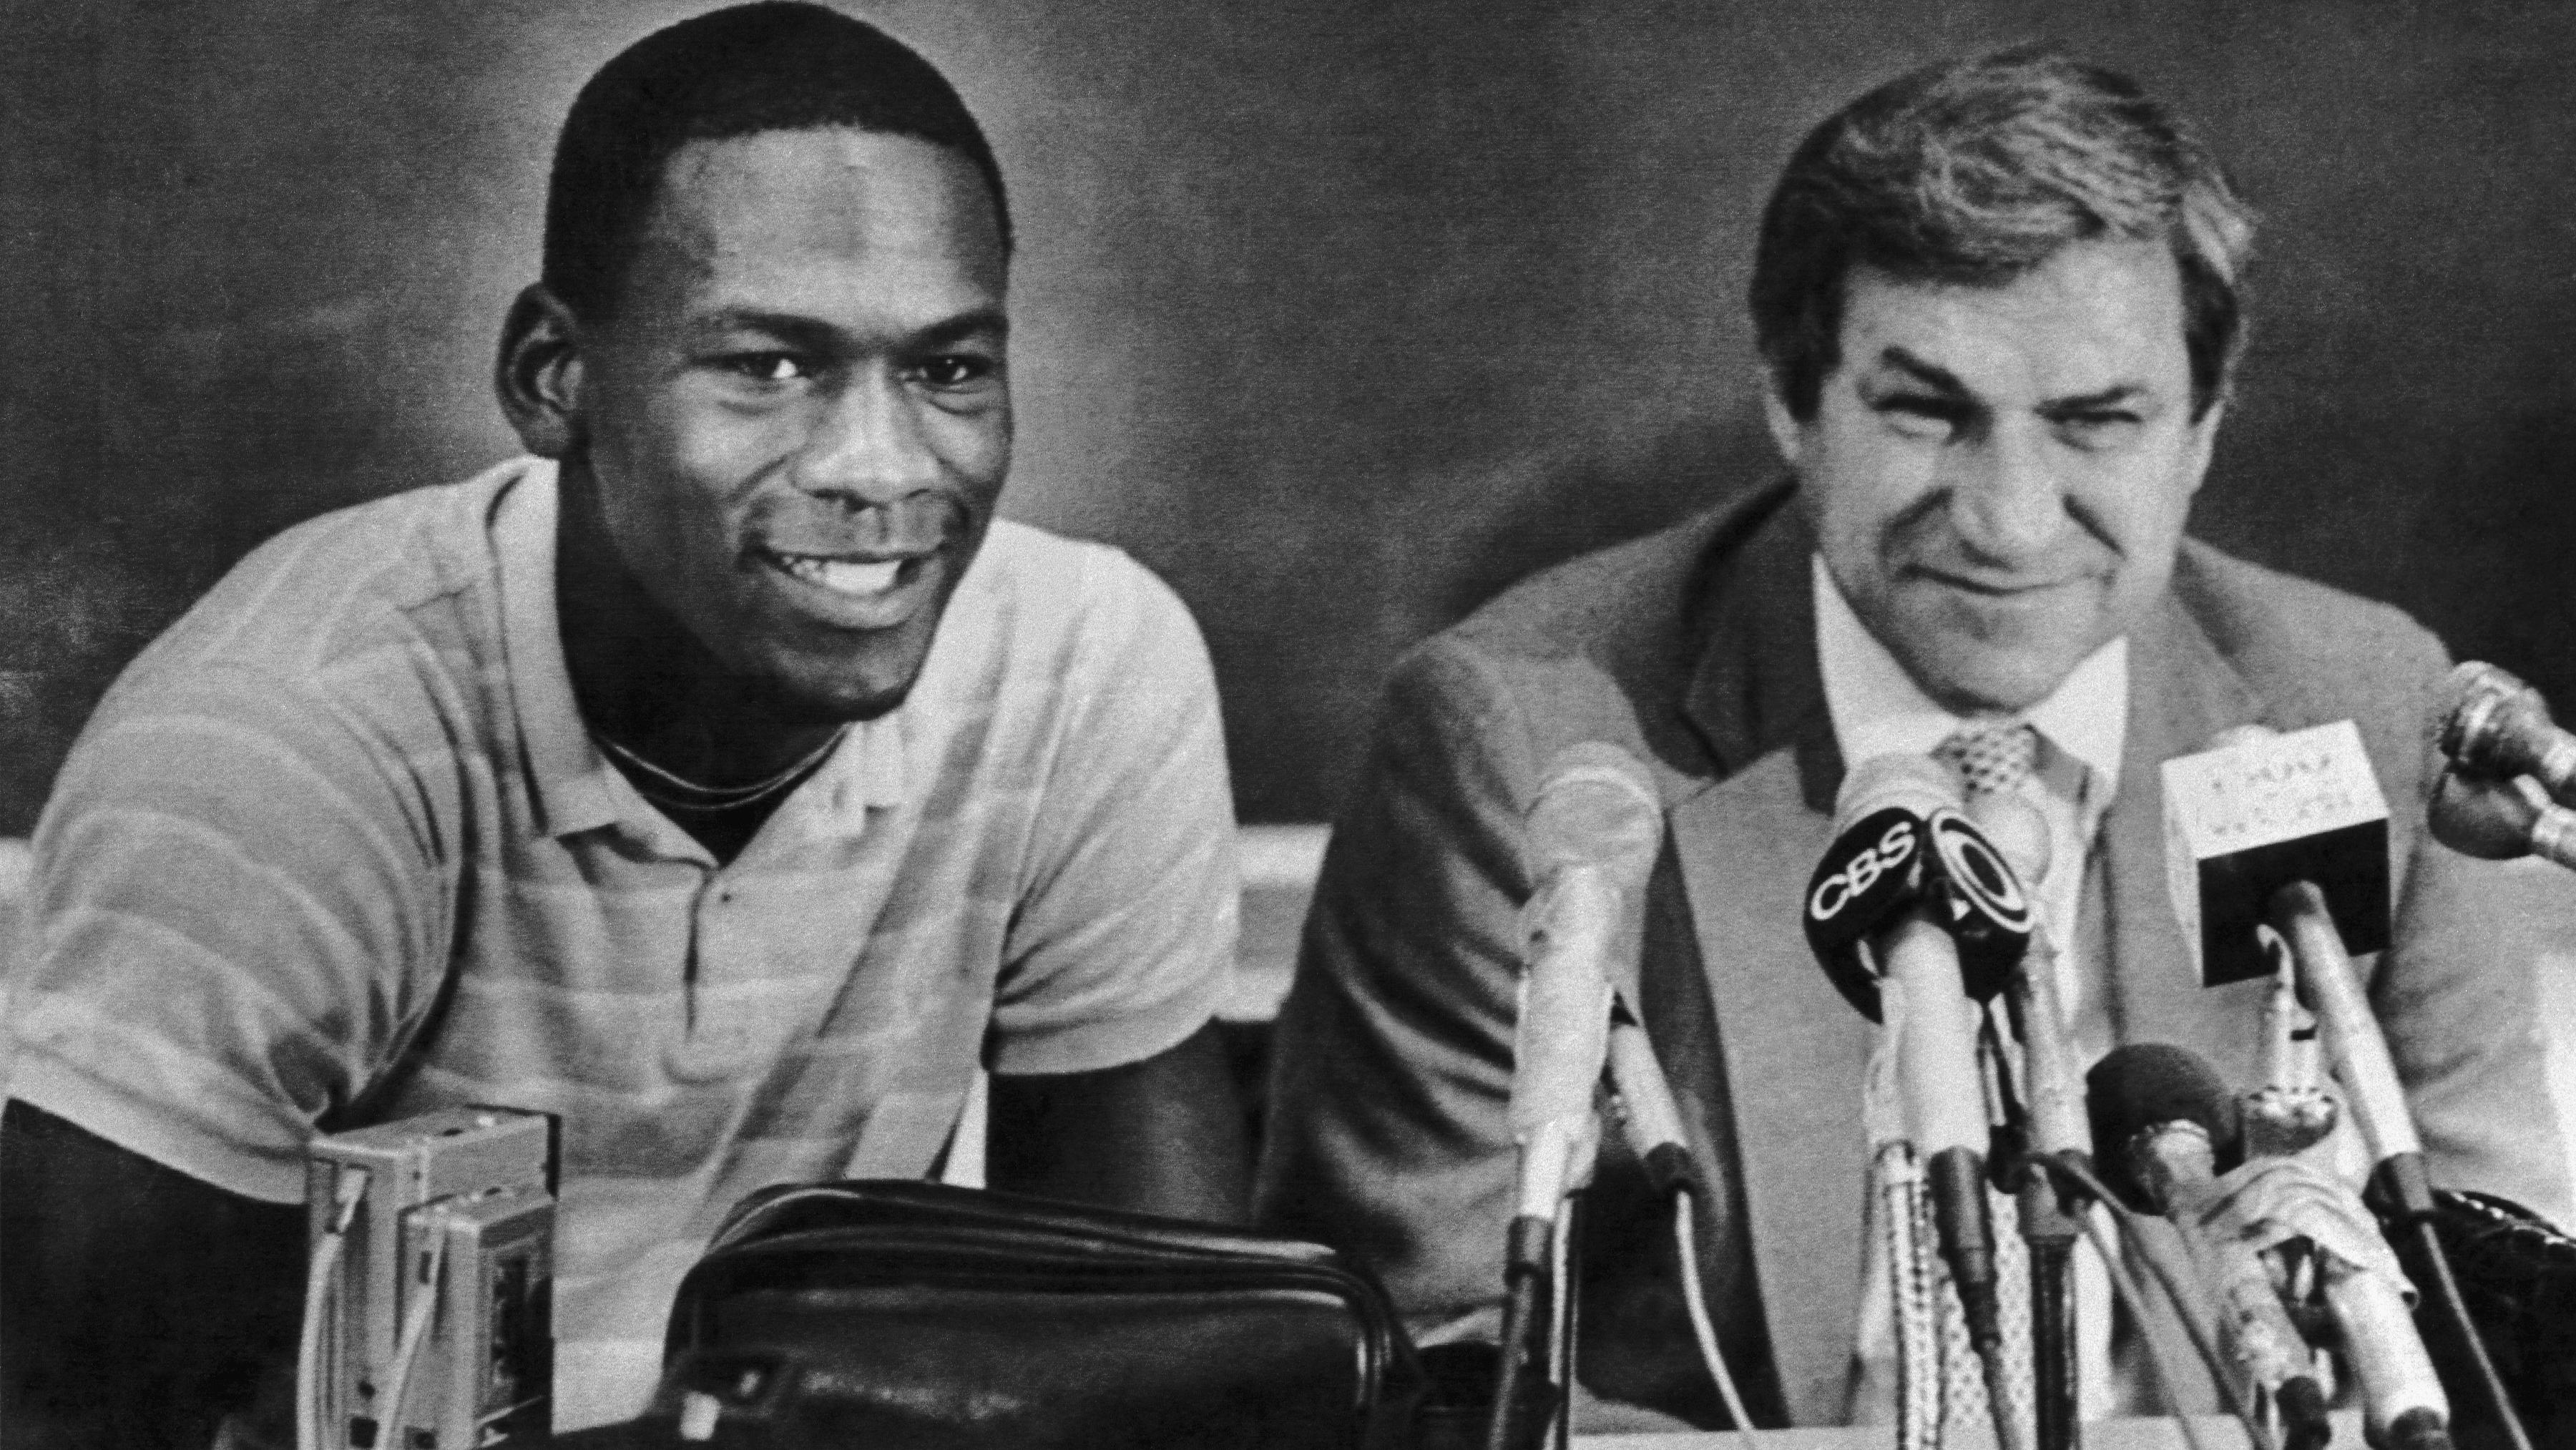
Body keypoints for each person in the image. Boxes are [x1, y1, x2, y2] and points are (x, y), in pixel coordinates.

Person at [1256, 44, 2573, 1431]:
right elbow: (1429, 1372)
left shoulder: (2357, 701)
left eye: (2094, 422)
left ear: (2199, 430)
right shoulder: (1512, 740)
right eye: (1925, 410)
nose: (2009, 518)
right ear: (1790, 398)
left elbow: (2497, 1291)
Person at [1, 6, 1247, 1444]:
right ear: (553, 376)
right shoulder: (282, 756)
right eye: (768, 367)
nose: (882, 465)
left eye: (949, 368)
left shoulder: (1082, 662)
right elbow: (67, 1423)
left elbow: (1161, 1360)